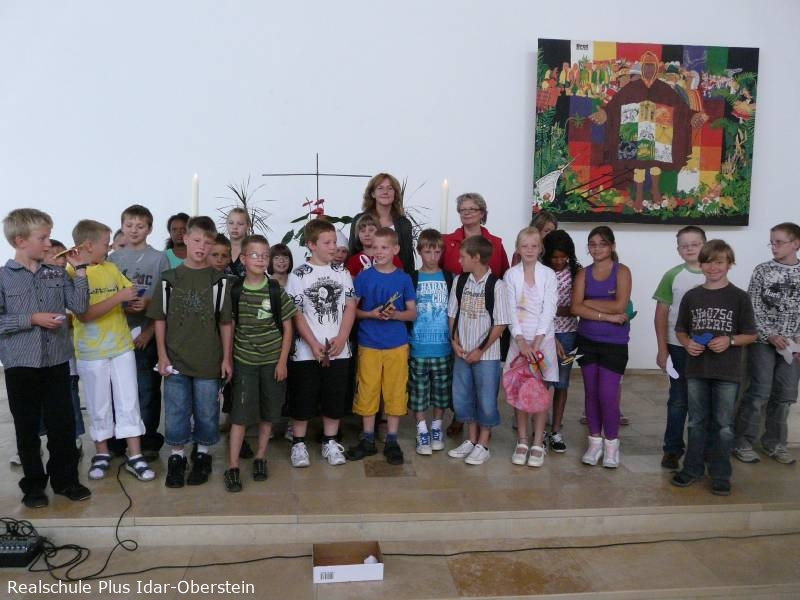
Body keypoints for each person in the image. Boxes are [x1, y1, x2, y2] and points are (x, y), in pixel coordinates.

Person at [0, 208, 91, 508]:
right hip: (20, 365)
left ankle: (66, 481)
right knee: (27, 428)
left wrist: (80, 271)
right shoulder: (3, 277)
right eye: (43, 238)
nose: (49, 243)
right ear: (20, 241)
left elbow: (79, 306)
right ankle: (34, 486)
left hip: (56, 362)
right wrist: (32, 318)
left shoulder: (56, 273)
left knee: (62, 426)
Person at [148, 216, 233, 488]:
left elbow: (225, 323)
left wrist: (226, 358)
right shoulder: (169, 279)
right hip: (175, 359)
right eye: (196, 241)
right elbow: (159, 319)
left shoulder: (220, 281)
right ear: (185, 239)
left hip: (209, 360)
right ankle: (177, 456)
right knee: (176, 410)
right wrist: (162, 355)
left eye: (207, 243)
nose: (201, 247)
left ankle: (202, 454)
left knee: (207, 411)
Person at [69, 219, 154, 483]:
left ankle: (135, 454)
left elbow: (128, 293)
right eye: (106, 244)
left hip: (121, 346)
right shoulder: (72, 273)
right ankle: (102, 452)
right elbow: (84, 314)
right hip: (91, 352)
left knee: (129, 400)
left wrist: (135, 300)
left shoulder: (111, 268)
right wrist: (119, 297)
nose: (109, 248)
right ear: (88, 245)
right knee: (98, 402)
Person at [671, 240, 757, 496]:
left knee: (723, 425)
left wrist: (730, 340)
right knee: (696, 422)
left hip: (727, 372)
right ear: (701, 265)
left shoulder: (739, 297)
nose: (713, 267)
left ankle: (720, 474)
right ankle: (692, 468)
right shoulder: (692, 296)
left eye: (719, 262)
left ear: (729, 264)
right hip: (697, 370)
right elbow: (680, 330)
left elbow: (751, 334)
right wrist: (687, 344)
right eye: (707, 262)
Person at [224, 235, 296, 492]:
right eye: (255, 255)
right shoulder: (235, 290)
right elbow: (230, 326)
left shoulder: (275, 290)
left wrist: (282, 362)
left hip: (272, 363)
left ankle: (260, 457)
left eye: (265, 255)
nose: (261, 259)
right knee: (240, 416)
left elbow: (288, 328)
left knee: (269, 412)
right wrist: (227, 359)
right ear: (243, 259)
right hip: (244, 362)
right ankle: (233, 466)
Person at [285, 219, 356, 468]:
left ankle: (330, 441)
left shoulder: (342, 272)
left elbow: (350, 306)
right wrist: (313, 343)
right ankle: (298, 443)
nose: (333, 247)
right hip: (307, 351)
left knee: (334, 396)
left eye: (334, 242)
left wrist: (343, 337)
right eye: (327, 243)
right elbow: (296, 312)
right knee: (303, 396)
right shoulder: (299, 275)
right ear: (311, 244)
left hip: (338, 349)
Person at [440, 193, 510, 436]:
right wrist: (454, 337)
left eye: (472, 208)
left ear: (482, 212)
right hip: (460, 314)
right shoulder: (448, 241)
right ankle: (463, 421)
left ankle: (482, 433)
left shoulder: (495, 243)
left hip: (485, 318)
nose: (467, 212)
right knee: (461, 384)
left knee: (484, 387)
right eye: (463, 209)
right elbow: (442, 273)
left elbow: (502, 275)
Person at [346, 228, 416, 464]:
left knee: (395, 390)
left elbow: (412, 313)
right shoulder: (363, 277)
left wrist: (395, 315)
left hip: (396, 344)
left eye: (384, 247)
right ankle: (367, 439)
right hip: (369, 343)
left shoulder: (403, 279)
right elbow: (352, 310)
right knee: (368, 389)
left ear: (395, 249)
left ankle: (392, 439)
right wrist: (370, 314)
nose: (379, 251)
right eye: (375, 247)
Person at [733, 222, 800, 465]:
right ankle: (742, 442)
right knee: (759, 392)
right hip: (763, 341)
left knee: (785, 395)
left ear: (796, 244)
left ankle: (775, 443)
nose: (774, 246)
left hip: (792, 345)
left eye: (779, 242)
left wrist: (798, 339)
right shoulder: (763, 271)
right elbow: (753, 306)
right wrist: (769, 334)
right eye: (771, 242)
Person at [108, 205, 170, 460]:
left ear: (149, 229)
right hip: (118, 334)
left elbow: (166, 298)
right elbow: (106, 296)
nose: (134, 230)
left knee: (147, 389)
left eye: (140, 226)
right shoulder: (113, 260)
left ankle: (147, 439)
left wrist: (148, 330)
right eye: (129, 225)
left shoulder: (159, 258)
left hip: (147, 334)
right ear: (122, 227)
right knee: (118, 389)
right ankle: (118, 439)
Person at [446, 235, 510, 465]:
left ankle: (483, 443)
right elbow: (452, 313)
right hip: (462, 352)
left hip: (487, 356)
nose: (459, 261)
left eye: (463, 257)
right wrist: (454, 341)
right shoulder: (460, 281)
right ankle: (471, 439)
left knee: (485, 399)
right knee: (463, 397)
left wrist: (480, 350)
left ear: (476, 257)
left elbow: (501, 323)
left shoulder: (497, 286)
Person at [570, 226, 631, 468]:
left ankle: (612, 445)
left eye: (602, 244)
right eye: (592, 244)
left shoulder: (622, 271)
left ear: (612, 246)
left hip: (614, 343)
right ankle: (594, 442)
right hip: (586, 340)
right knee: (591, 392)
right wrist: (606, 315)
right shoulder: (583, 274)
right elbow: (575, 308)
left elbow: (620, 306)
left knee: (608, 394)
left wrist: (588, 302)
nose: (597, 249)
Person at [652, 225, 707, 470]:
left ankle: (701, 449)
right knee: (678, 399)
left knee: (703, 401)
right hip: (677, 347)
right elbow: (661, 315)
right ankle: (672, 449)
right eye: (684, 245)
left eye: (695, 244)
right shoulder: (672, 276)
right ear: (678, 250)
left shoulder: (714, 273)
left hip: (708, 350)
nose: (690, 249)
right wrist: (662, 349)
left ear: (705, 246)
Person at [503, 227, 558, 467]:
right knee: (520, 389)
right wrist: (521, 341)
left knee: (540, 391)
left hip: (542, 341)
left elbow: (549, 308)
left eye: (534, 246)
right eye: (524, 246)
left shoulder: (549, 275)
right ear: (518, 248)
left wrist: (536, 342)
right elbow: (510, 309)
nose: (529, 250)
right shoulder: (511, 275)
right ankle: (523, 440)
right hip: (519, 342)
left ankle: (537, 441)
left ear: (540, 248)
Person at [408, 229, 453, 455]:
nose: (433, 257)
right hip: (418, 346)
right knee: (418, 392)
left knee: (441, 392)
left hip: (443, 346)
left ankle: (436, 426)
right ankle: (421, 429)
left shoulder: (449, 278)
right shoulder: (412, 278)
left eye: (437, 252)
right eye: (428, 252)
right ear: (419, 252)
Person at [209, 233, 254, 458]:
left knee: (235, 390)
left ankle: (237, 435)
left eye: (224, 256)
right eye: (214, 255)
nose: (219, 260)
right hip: (207, 343)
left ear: (230, 257)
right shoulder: (200, 280)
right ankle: (203, 439)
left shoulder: (236, 283)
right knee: (208, 391)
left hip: (234, 343)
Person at [542, 230, 582, 453]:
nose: (558, 261)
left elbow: (577, 307)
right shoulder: (541, 271)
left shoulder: (576, 271)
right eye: (554, 257)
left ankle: (556, 430)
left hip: (568, 334)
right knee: (541, 382)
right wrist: (562, 309)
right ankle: (539, 429)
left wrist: (555, 309)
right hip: (542, 334)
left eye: (562, 257)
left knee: (562, 382)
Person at [348, 173, 415, 274]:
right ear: (372, 193)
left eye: (390, 188)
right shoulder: (359, 219)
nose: (385, 192)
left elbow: (408, 259)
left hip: (394, 279)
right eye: (380, 188)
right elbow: (353, 251)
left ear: (395, 194)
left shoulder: (404, 224)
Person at [346, 212, 402, 277]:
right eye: (362, 231)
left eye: (371, 230)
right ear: (358, 235)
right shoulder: (353, 261)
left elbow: (401, 280)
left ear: (379, 232)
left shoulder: (391, 258)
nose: (367, 234)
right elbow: (349, 283)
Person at [225, 207, 250, 278]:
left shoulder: (252, 251)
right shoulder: (219, 250)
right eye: (231, 223)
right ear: (226, 224)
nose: (235, 227)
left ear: (248, 226)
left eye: (240, 224)